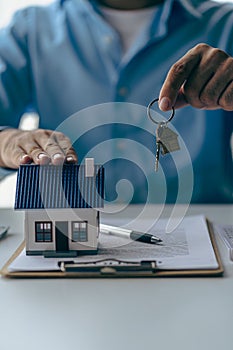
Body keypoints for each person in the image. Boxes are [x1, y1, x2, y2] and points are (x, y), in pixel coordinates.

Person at [0, 0, 232, 203]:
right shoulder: (29, 28)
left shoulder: (226, 25)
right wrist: (6, 142)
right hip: (72, 223)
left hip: (210, 236)